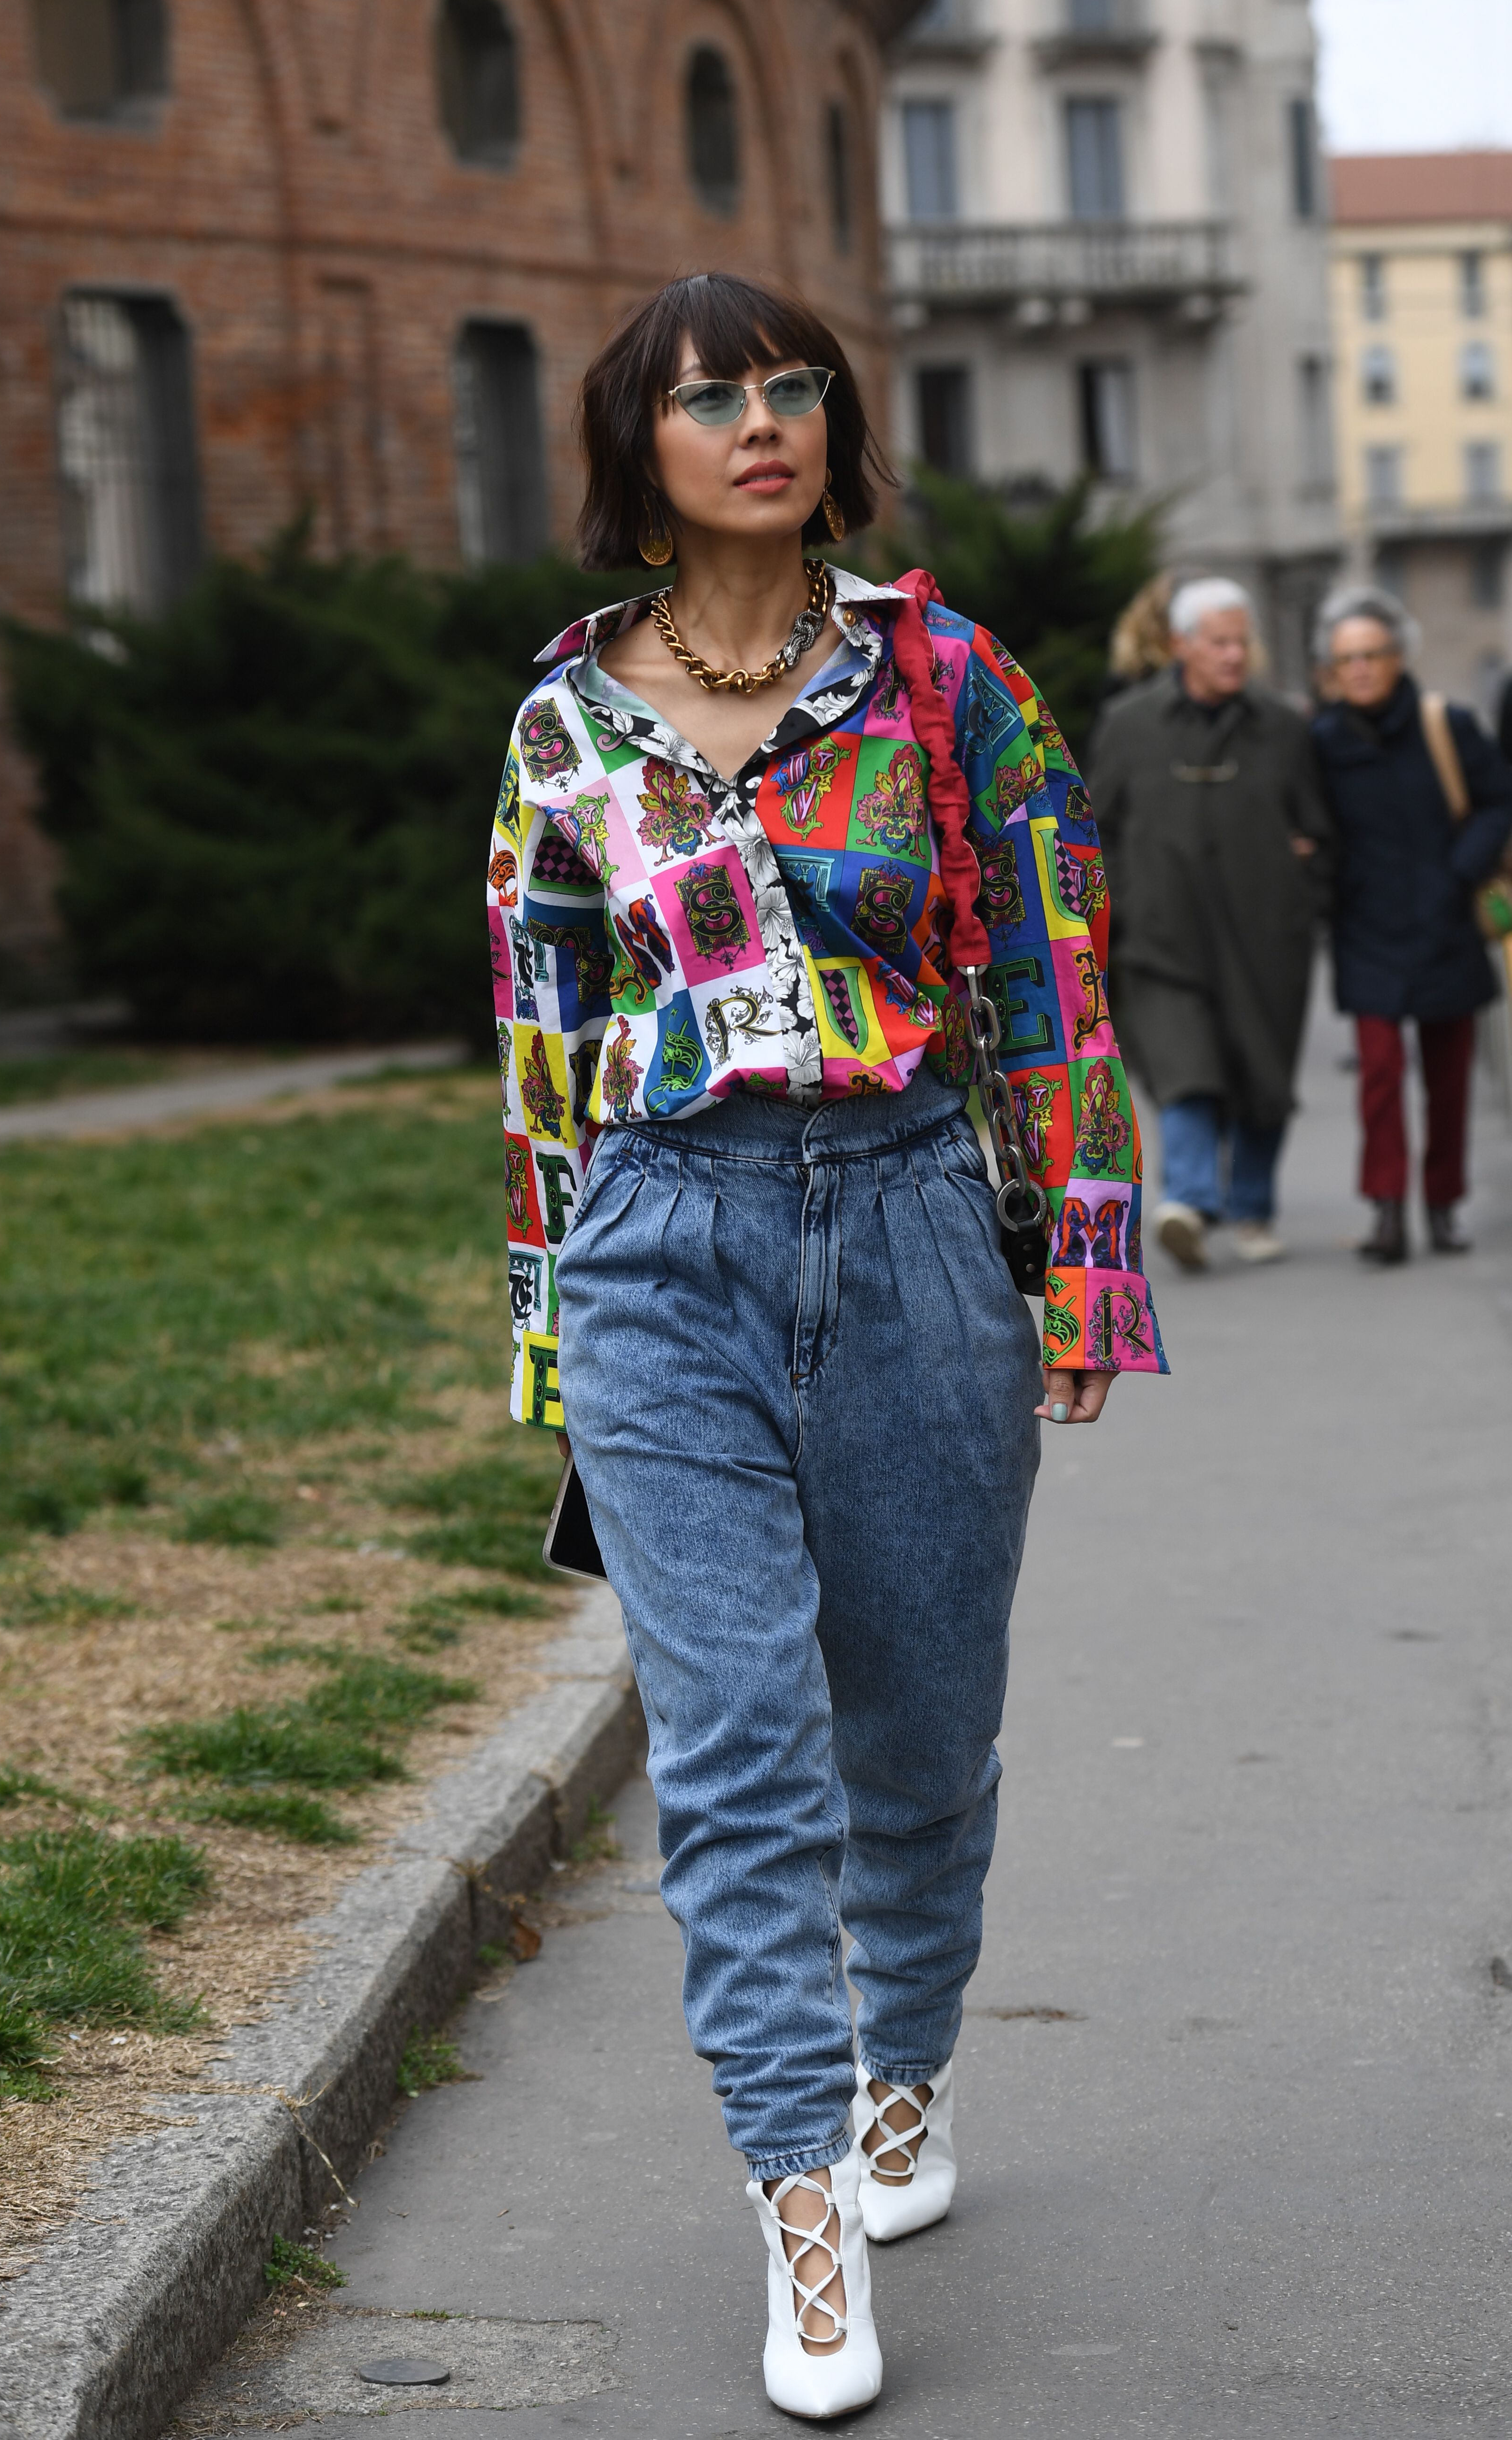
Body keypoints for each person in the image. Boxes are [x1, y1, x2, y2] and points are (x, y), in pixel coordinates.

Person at [489, 271, 1165, 2422]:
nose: (760, 420)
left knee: (919, 1729)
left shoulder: (949, 675)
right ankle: (795, 2198)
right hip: (657, 1242)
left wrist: (1085, 1260)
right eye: (711, 398)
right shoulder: (565, 719)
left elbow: (1056, 969)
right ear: (641, 446)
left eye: (791, 387)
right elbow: (538, 1045)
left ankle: (905, 2076)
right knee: (730, 1744)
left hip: (909, 1223)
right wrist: (548, 1346)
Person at [1085, 578, 1331, 1271]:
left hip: (1267, 938)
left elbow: (1320, 829)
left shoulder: (1283, 727)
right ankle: (1189, 1203)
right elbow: (1096, 828)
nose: (1234, 655)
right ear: (1180, 645)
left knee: (1263, 1073)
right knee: (1185, 1067)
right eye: (1219, 642)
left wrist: (1302, 889)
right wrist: (1124, 903)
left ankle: (1252, 1208)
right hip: (1160, 939)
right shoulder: (1129, 724)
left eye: (1241, 642)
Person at [1311, 585, 1512, 1263]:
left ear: (1399, 657)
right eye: (1347, 660)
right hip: (1367, 929)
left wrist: (1461, 870)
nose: (1360, 669)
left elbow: (1498, 801)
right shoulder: (1323, 741)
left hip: (1446, 923)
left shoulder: (1446, 724)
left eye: (1372, 655)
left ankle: (1444, 1205)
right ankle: (1388, 1210)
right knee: (1379, 1075)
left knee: (1449, 1081)